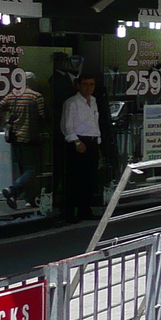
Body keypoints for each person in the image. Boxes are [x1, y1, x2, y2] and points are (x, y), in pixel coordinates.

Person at [0, 71, 47, 209]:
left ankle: (27, 199)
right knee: (32, 169)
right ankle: (13, 189)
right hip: (30, 137)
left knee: (24, 169)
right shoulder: (36, 96)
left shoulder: (12, 96)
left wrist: (9, 116)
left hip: (14, 138)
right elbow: (42, 117)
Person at [59, 74, 103, 223]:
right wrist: (77, 142)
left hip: (92, 141)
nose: (88, 87)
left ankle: (85, 210)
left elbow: (94, 123)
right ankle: (70, 213)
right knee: (75, 179)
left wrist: (97, 142)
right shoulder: (72, 103)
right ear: (78, 85)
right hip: (78, 141)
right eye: (85, 84)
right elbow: (67, 125)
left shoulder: (94, 101)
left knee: (89, 179)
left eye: (91, 84)